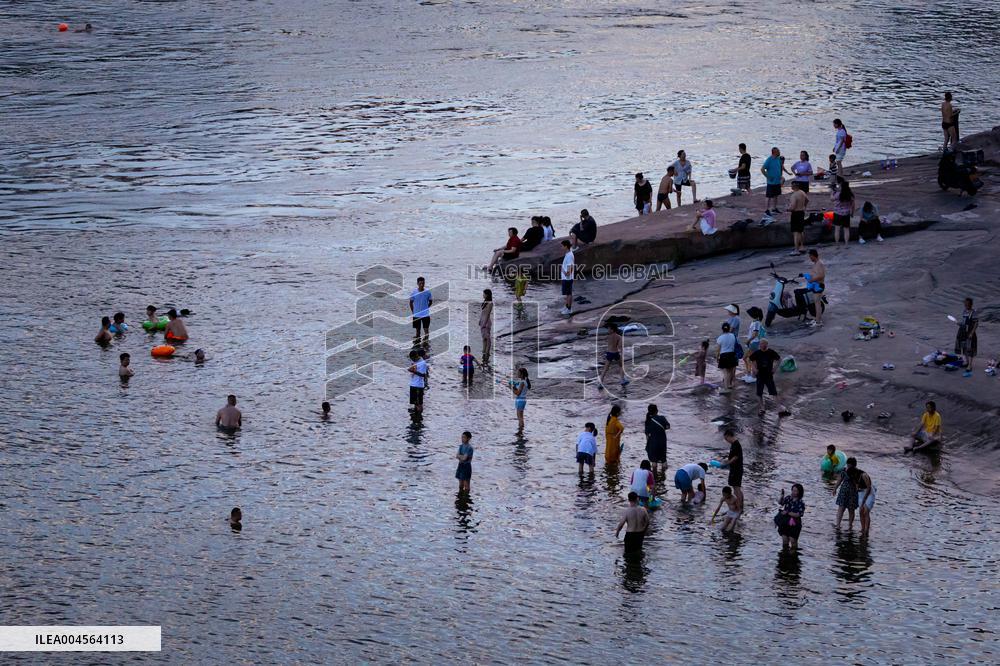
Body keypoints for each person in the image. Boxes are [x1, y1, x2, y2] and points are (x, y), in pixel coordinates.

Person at [795, 249, 826, 326]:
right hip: (815, 285)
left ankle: (818, 322)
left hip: (819, 286)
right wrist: (805, 276)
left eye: (810, 256)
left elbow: (822, 276)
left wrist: (812, 280)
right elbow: (814, 274)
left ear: (813, 255)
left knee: (817, 304)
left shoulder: (820, 263)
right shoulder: (815, 264)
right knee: (816, 303)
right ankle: (817, 319)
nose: (809, 258)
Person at [749, 339, 780, 415]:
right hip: (759, 375)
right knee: (759, 393)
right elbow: (751, 360)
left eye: (763, 344)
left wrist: (775, 368)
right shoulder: (757, 353)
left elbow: (779, 359)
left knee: (774, 392)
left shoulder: (771, 352)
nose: (762, 345)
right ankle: (762, 408)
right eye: (761, 344)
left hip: (769, 375)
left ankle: (779, 408)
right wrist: (754, 369)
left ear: (767, 344)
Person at [847, 457, 876, 537]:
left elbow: (869, 487)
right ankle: (862, 529)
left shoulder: (863, 475)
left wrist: (864, 500)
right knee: (860, 511)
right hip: (860, 492)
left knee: (866, 511)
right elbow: (855, 485)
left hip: (869, 492)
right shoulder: (851, 474)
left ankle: (866, 530)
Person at [776, 484, 805, 551]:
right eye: (792, 490)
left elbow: (799, 514)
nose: (793, 492)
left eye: (795, 491)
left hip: (795, 523)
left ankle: (794, 556)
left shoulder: (801, 502)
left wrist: (788, 512)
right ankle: (784, 554)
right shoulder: (788, 498)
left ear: (799, 492)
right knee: (785, 540)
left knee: (793, 541)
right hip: (785, 521)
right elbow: (781, 503)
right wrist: (782, 496)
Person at [643, 404, 670, 477]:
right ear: (657, 411)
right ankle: (663, 475)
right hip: (662, 442)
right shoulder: (662, 418)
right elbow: (668, 426)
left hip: (653, 443)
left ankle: (654, 477)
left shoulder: (648, 421)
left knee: (654, 461)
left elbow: (647, 434)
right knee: (663, 459)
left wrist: (648, 444)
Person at [600, 323, 629, 387]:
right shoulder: (619, 337)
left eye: (609, 329)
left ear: (612, 330)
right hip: (616, 353)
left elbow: (604, 341)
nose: (608, 330)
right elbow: (620, 346)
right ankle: (622, 380)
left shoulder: (608, 336)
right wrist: (622, 354)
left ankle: (600, 383)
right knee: (621, 366)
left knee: (605, 369)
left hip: (609, 353)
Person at [833, 457, 859, 530]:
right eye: (848, 465)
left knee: (851, 509)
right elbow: (839, 480)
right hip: (844, 492)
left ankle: (850, 525)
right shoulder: (844, 470)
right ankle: (838, 524)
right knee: (841, 508)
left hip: (852, 493)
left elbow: (857, 484)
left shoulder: (857, 472)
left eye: (850, 465)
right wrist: (834, 489)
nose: (848, 466)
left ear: (854, 465)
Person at [954, 297, 979, 374]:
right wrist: (958, 323)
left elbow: (976, 323)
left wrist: (972, 333)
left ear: (970, 304)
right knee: (964, 347)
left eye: (967, 303)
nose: (965, 304)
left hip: (969, 332)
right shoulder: (964, 311)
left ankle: (970, 365)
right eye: (965, 303)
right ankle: (967, 362)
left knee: (970, 348)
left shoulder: (973, 312)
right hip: (963, 331)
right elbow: (964, 322)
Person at [830, 177, 855, 248]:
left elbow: (831, 199)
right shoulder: (850, 195)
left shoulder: (838, 194)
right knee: (846, 229)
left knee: (837, 229)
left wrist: (832, 192)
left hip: (837, 213)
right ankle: (846, 244)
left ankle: (837, 244)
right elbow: (853, 205)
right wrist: (852, 213)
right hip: (846, 213)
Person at [787, 181, 809, 255]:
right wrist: (804, 207)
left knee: (796, 232)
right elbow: (807, 200)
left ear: (794, 186)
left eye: (791, 186)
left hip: (796, 213)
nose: (791, 187)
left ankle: (796, 250)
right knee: (801, 230)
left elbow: (793, 207)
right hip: (801, 212)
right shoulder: (802, 192)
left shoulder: (794, 195)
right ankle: (802, 247)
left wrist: (788, 209)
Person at [722, 429, 744, 505]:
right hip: (735, 469)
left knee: (736, 488)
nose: (726, 441)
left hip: (737, 469)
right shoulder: (734, 445)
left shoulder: (736, 444)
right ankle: (740, 504)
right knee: (735, 488)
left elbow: (735, 457)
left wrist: (727, 463)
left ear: (729, 436)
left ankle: (740, 505)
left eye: (726, 438)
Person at [410, 276, 433, 347]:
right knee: (417, 331)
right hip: (416, 314)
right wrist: (413, 311)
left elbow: (430, 301)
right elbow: (411, 302)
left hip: (425, 315)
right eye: (420, 283)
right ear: (417, 283)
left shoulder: (428, 292)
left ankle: (426, 345)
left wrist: (426, 308)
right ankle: (417, 346)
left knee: (426, 331)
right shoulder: (414, 292)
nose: (422, 285)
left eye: (423, 283)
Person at [744, 306, 765, 379]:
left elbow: (755, 334)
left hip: (754, 343)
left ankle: (752, 375)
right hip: (752, 343)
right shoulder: (755, 322)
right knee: (747, 358)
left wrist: (748, 341)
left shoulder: (756, 323)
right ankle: (750, 373)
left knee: (750, 359)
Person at [760, 147, 783, 216]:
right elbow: (762, 169)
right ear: (774, 152)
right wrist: (768, 177)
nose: (779, 152)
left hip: (777, 181)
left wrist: (780, 176)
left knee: (776, 195)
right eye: (778, 151)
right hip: (771, 182)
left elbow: (780, 167)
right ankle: (766, 210)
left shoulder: (778, 159)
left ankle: (774, 208)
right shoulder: (769, 160)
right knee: (768, 196)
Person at [716, 322, 738, 391]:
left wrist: (717, 357)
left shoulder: (720, 338)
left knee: (725, 372)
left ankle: (725, 388)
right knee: (730, 371)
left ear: (722, 329)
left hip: (724, 356)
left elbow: (718, 350)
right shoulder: (732, 336)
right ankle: (729, 385)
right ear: (729, 329)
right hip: (732, 355)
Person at [407, 350, 428, 415]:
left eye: (412, 359)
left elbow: (424, 375)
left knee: (419, 403)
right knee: (415, 402)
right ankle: (415, 416)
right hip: (413, 384)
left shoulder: (423, 363)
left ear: (415, 356)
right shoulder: (415, 362)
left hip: (418, 385)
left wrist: (413, 371)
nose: (412, 360)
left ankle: (419, 418)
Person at [511, 367, 530, 433]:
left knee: (520, 418)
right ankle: (521, 431)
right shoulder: (524, 382)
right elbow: (519, 391)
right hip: (522, 400)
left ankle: (520, 431)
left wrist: (512, 388)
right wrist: (514, 386)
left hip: (520, 400)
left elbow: (518, 393)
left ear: (521, 374)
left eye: (518, 373)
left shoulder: (522, 382)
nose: (517, 374)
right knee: (521, 417)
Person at [559, 240, 574, 316]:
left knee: (569, 293)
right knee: (567, 293)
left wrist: (564, 272)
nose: (561, 247)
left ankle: (569, 309)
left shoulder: (569, 255)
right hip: (566, 278)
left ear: (566, 246)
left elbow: (570, 268)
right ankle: (566, 306)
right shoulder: (568, 253)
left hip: (567, 278)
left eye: (562, 246)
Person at [479, 289, 493, 366]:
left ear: (487, 295)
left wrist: (484, 323)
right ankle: (484, 351)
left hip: (486, 323)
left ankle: (487, 352)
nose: (483, 295)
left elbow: (487, 314)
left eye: (484, 294)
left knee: (488, 339)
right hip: (482, 322)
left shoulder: (490, 303)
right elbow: (482, 313)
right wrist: (480, 321)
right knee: (484, 338)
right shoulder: (485, 302)